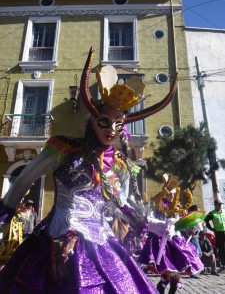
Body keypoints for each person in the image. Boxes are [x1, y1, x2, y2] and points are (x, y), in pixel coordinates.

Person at [0, 47, 178, 293]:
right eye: (105, 122)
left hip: (101, 240)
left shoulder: (119, 163)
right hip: (58, 235)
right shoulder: (63, 148)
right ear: (93, 120)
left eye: (119, 124)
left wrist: (157, 224)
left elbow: (125, 205)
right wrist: (3, 215)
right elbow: (22, 182)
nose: (112, 129)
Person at [138, 175, 204, 294]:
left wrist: (191, 228)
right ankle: (162, 286)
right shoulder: (156, 204)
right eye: (170, 193)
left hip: (176, 241)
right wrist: (163, 226)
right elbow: (149, 220)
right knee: (167, 271)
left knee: (177, 272)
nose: (172, 196)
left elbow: (180, 223)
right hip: (160, 241)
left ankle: (171, 288)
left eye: (174, 194)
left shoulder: (177, 207)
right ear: (166, 192)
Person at [204, 197, 225, 270]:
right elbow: (206, 221)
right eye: (218, 205)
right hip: (219, 233)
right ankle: (223, 263)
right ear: (215, 205)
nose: (220, 206)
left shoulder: (224, 211)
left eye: (220, 205)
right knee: (221, 248)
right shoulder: (212, 213)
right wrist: (212, 229)